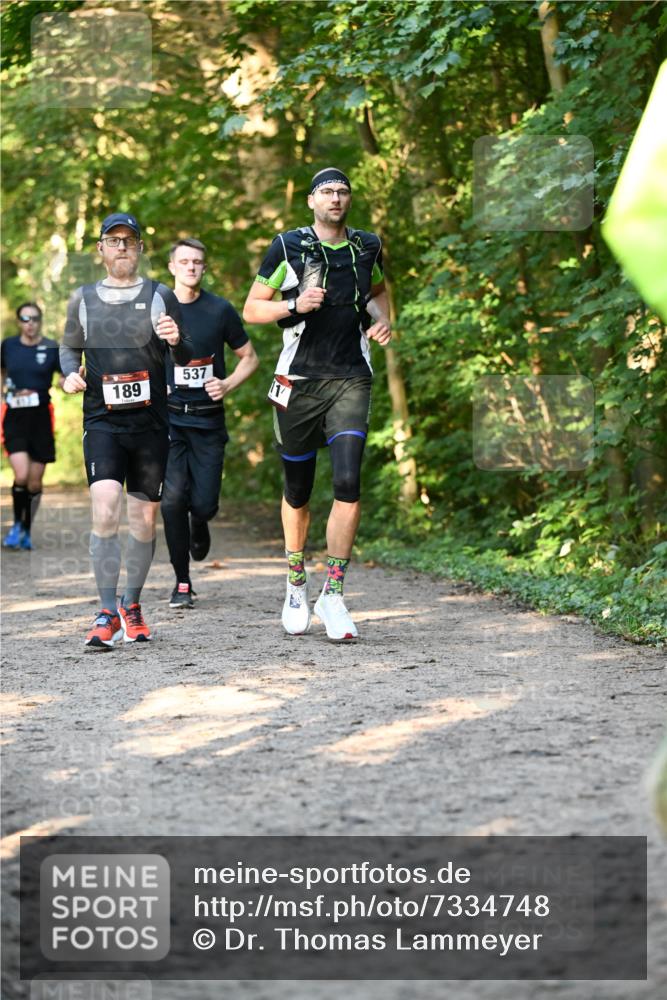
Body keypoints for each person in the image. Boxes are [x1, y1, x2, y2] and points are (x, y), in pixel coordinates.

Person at [243, 167, 392, 642]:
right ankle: (295, 581)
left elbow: (378, 292)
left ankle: (333, 592)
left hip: (351, 378)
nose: (336, 198)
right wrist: (293, 306)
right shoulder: (287, 247)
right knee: (298, 490)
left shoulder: (367, 245)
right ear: (311, 200)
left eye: (343, 192)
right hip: (297, 382)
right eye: (327, 192)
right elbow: (252, 309)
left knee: (348, 482)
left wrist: (381, 321)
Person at [60, 212, 193, 649]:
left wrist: (176, 341)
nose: (121, 247)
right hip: (102, 421)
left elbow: (186, 354)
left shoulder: (161, 295)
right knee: (104, 510)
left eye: (129, 240)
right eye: (113, 240)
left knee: (142, 521)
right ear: (100, 248)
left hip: (151, 425)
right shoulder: (82, 298)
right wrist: (68, 375)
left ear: (140, 248)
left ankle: (130, 606)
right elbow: (68, 347)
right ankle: (104, 612)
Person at [161, 238, 259, 609]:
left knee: (203, 505)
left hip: (207, 421)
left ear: (204, 268)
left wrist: (227, 383)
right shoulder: (156, 310)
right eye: (184, 261)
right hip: (168, 420)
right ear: (172, 267)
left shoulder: (219, 309)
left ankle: (199, 522)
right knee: (171, 501)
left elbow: (249, 357)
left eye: (197, 262)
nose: (190, 267)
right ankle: (182, 581)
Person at [1, 303, 63, 550]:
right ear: (19, 322)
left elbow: (63, 376)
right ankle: (16, 526)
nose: (30, 323)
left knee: (35, 482)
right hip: (14, 416)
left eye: (35, 318)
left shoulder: (51, 347)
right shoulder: (8, 346)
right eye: (25, 318)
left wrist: (66, 382)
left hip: (41, 418)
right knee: (22, 475)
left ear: (40, 321)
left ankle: (27, 527)